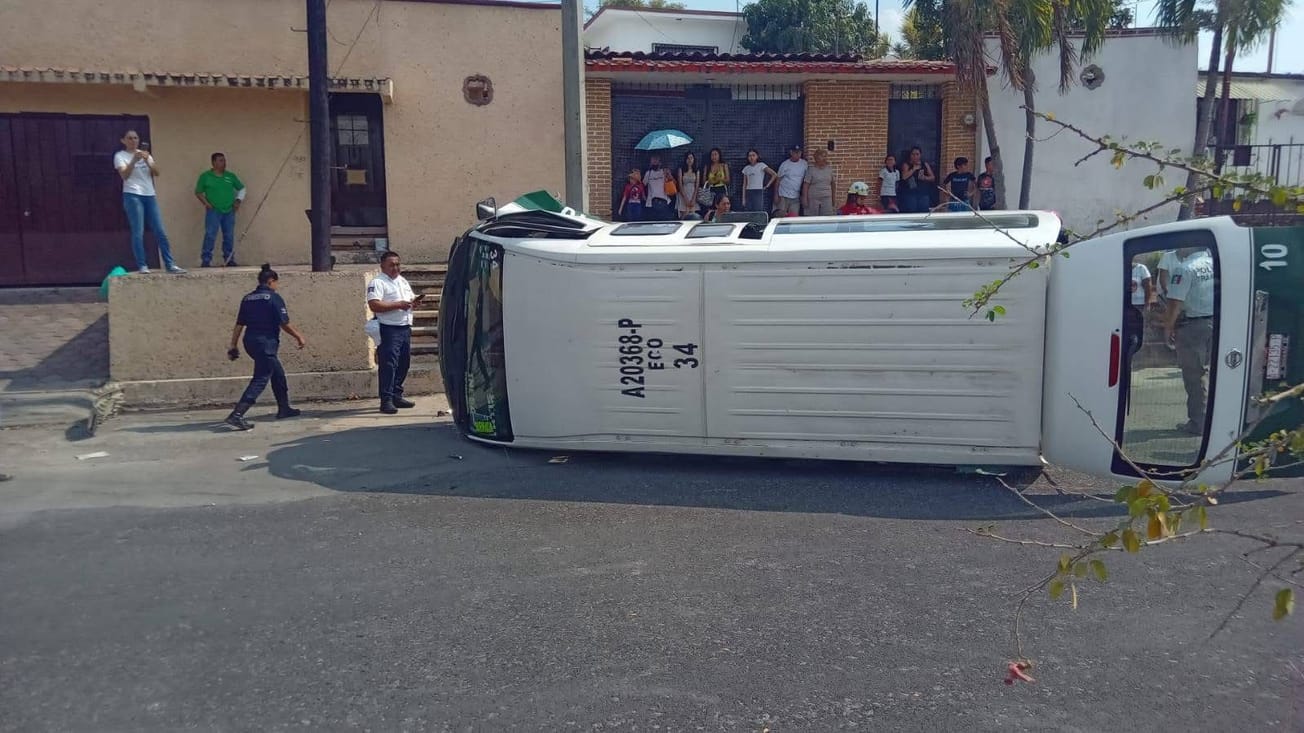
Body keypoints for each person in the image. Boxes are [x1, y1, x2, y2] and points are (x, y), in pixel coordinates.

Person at [223, 264, 307, 430]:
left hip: (250, 341)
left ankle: (284, 408)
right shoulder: (273, 298)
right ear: (271, 281)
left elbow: (239, 324)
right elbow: (284, 323)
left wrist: (233, 345)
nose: (277, 286)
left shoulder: (247, 298)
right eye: (276, 283)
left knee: (277, 374)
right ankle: (237, 415)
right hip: (265, 343)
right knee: (261, 378)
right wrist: (299, 337)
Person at [115, 130, 185, 274]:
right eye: (129, 138)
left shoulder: (146, 154)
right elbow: (125, 175)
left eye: (135, 138)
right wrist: (134, 161)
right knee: (138, 231)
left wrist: (147, 160)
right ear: (123, 140)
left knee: (160, 231)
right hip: (133, 194)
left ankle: (170, 264)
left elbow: (157, 173)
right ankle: (142, 265)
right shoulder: (120, 156)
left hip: (149, 194)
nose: (133, 141)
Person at [1163, 246, 1215, 435]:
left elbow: (1174, 303)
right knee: (1213, 373)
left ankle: (1198, 422)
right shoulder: (1215, 264)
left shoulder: (1184, 269)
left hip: (1193, 327)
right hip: (1216, 322)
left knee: (1194, 375)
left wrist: (1168, 328)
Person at [367, 250, 422, 414]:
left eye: (398, 264)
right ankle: (386, 400)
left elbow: (409, 299)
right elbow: (374, 305)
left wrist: (413, 303)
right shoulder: (378, 282)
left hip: (404, 327)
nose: (395, 268)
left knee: (404, 363)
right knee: (388, 365)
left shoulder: (402, 281)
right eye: (391, 265)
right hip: (388, 328)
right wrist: (398, 305)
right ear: (382, 266)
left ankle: (397, 395)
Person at [194, 152, 247, 267]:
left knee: (229, 236)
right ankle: (206, 260)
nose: (224, 163)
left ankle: (229, 259)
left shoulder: (230, 176)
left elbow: (242, 188)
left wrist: (238, 200)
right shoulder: (205, 176)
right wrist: (206, 204)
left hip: (229, 210)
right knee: (210, 235)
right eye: (221, 160)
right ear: (213, 163)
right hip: (213, 210)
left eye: (224, 160)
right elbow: (198, 192)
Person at [899, 146, 935, 213]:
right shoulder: (906, 164)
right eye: (913, 154)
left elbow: (932, 177)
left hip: (923, 193)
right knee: (912, 211)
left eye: (917, 154)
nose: (915, 156)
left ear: (920, 155)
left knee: (923, 212)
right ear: (910, 155)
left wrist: (925, 177)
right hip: (910, 193)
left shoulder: (925, 164)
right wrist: (914, 169)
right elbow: (904, 177)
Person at [774, 145, 807, 217]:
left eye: (799, 152)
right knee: (781, 217)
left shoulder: (804, 164)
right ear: (791, 152)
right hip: (783, 196)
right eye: (795, 152)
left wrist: (804, 195)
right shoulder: (785, 164)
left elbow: (806, 180)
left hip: (796, 197)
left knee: (793, 218)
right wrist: (776, 195)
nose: (798, 154)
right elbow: (778, 180)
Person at [803, 148, 837, 217]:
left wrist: (833, 199)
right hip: (813, 198)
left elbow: (833, 184)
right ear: (816, 158)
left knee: (827, 217)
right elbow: (806, 185)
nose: (824, 159)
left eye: (825, 156)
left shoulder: (829, 170)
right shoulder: (811, 170)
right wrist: (805, 199)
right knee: (813, 218)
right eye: (822, 156)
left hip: (827, 198)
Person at [642, 154, 674, 221]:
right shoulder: (648, 173)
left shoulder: (664, 171)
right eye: (653, 160)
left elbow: (673, 183)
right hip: (651, 203)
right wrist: (644, 197)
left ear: (660, 162)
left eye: (656, 159)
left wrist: (669, 174)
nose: (654, 162)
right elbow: (642, 185)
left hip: (664, 202)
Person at [703, 148, 730, 213]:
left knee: (723, 207)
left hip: (721, 189)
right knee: (711, 209)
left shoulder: (723, 165)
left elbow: (728, 180)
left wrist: (720, 179)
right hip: (711, 189)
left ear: (719, 155)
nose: (714, 157)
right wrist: (710, 181)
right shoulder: (708, 166)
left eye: (715, 154)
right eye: (712, 155)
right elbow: (703, 181)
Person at [676, 152, 700, 219]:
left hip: (693, 193)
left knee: (693, 216)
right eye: (688, 158)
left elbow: (697, 185)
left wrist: (694, 199)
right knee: (684, 216)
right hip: (683, 193)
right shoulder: (681, 170)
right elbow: (680, 185)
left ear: (694, 159)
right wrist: (685, 199)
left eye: (691, 158)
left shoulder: (696, 170)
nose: (689, 160)